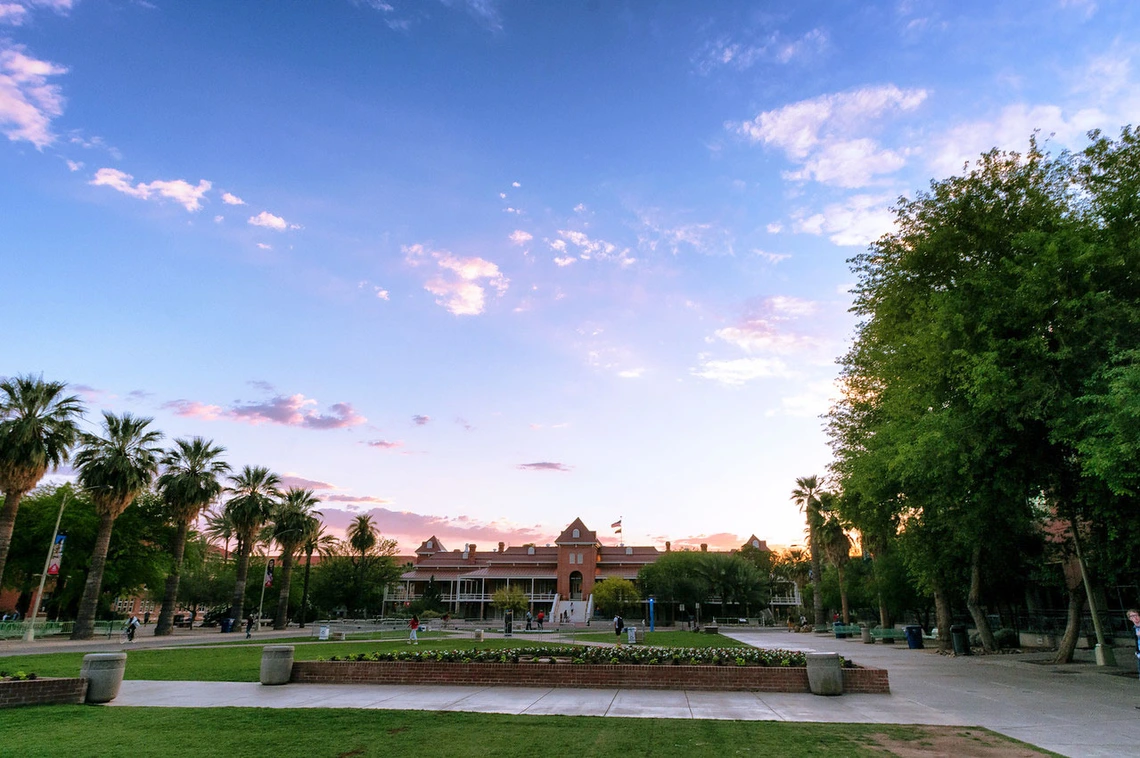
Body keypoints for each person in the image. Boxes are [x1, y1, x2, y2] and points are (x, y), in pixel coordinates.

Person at [1128, 609, 1140, 678]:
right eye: (1132, 616)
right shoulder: (1134, 629)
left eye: (1136, 615)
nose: (1135, 617)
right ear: (1130, 619)